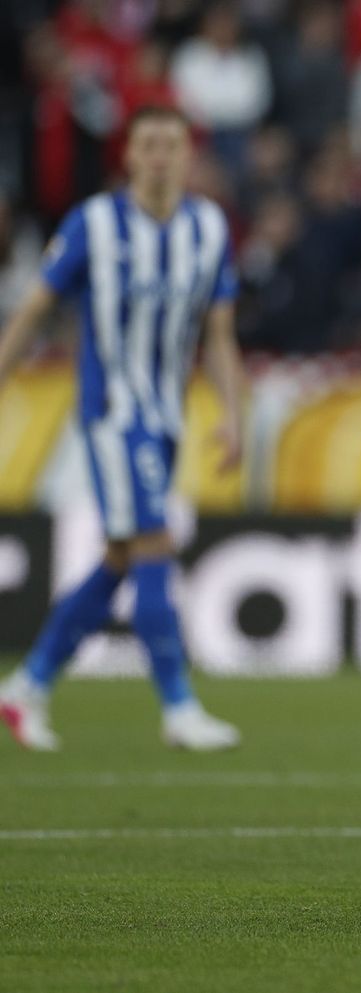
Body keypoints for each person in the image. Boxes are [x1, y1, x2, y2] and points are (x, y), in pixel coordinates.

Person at [0, 106, 248, 752]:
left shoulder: (209, 225)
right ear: (129, 156)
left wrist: (233, 415)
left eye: (172, 143)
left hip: (169, 412)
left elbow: (219, 335)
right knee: (155, 540)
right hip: (112, 411)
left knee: (120, 556)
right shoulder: (95, 223)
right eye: (149, 144)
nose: (161, 155)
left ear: (189, 155)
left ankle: (27, 684)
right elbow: (34, 309)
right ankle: (178, 705)